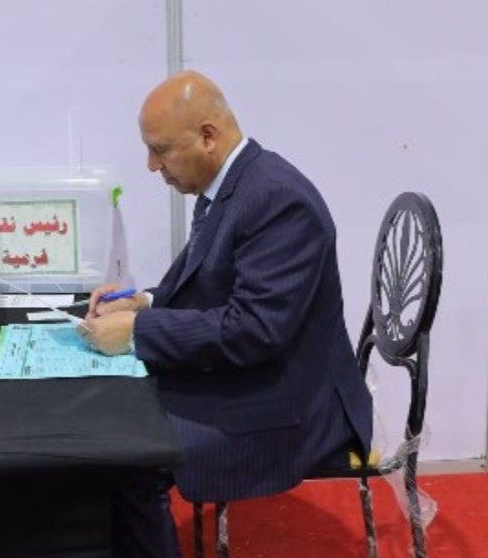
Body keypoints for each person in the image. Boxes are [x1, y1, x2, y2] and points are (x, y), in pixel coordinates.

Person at [80, 70, 373, 557]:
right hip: (262, 372)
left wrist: (136, 331)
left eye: (160, 149)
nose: (152, 166)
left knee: (133, 456)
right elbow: (207, 285)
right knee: (120, 422)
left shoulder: (279, 201)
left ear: (208, 137)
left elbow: (255, 330)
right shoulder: (231, 185)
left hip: (292, 405)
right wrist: (144, 302)